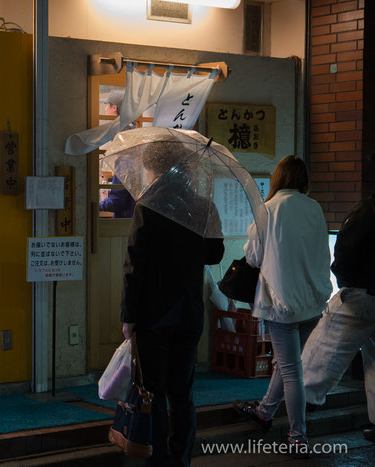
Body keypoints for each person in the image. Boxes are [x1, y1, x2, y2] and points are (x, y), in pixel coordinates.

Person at [121, 141, 225, 466]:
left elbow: (134, 268)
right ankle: (180, 459)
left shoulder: (148, 206)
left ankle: (159, 458)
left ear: (154, 169)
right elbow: (215, 254)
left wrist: (128, 316)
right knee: (183, 392)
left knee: (154, 391)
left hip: (154, 315)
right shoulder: (202, 206)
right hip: (190, 314)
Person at [232, 156, 332, 455]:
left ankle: (298, 437)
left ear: (277, 179)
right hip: (313, 301)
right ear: (304, 180)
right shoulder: (314, 208)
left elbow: (252, 257)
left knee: (291, 371)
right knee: (288, 365)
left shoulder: (268, 209)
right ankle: (264, 411)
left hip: (281, 302)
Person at [301, 193, 375, 443]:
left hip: (359, 294)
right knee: (373, 361)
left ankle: (304, 401)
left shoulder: (366, 212)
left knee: (322, 351)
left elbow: (346, 254)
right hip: (368, 292)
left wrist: (342, 279)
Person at [100, 90, 136, 218]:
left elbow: (117, 202)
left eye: (107, 105)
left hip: (126, 221)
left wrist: (96, 204)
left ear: (114, 107)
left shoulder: (125, 161)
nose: (105, 109)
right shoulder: (133, 131)